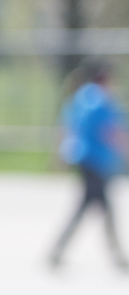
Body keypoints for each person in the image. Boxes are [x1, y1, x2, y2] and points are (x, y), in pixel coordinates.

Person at [50, 61, 129, 270]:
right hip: (95, 160)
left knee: (89, 206)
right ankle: (117, 255)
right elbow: (110, 132)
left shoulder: (80, 97)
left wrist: (59, 155)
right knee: (101, 207)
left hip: (80, 158)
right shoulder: (102, 100)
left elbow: (65, 127)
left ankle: (59, 249)